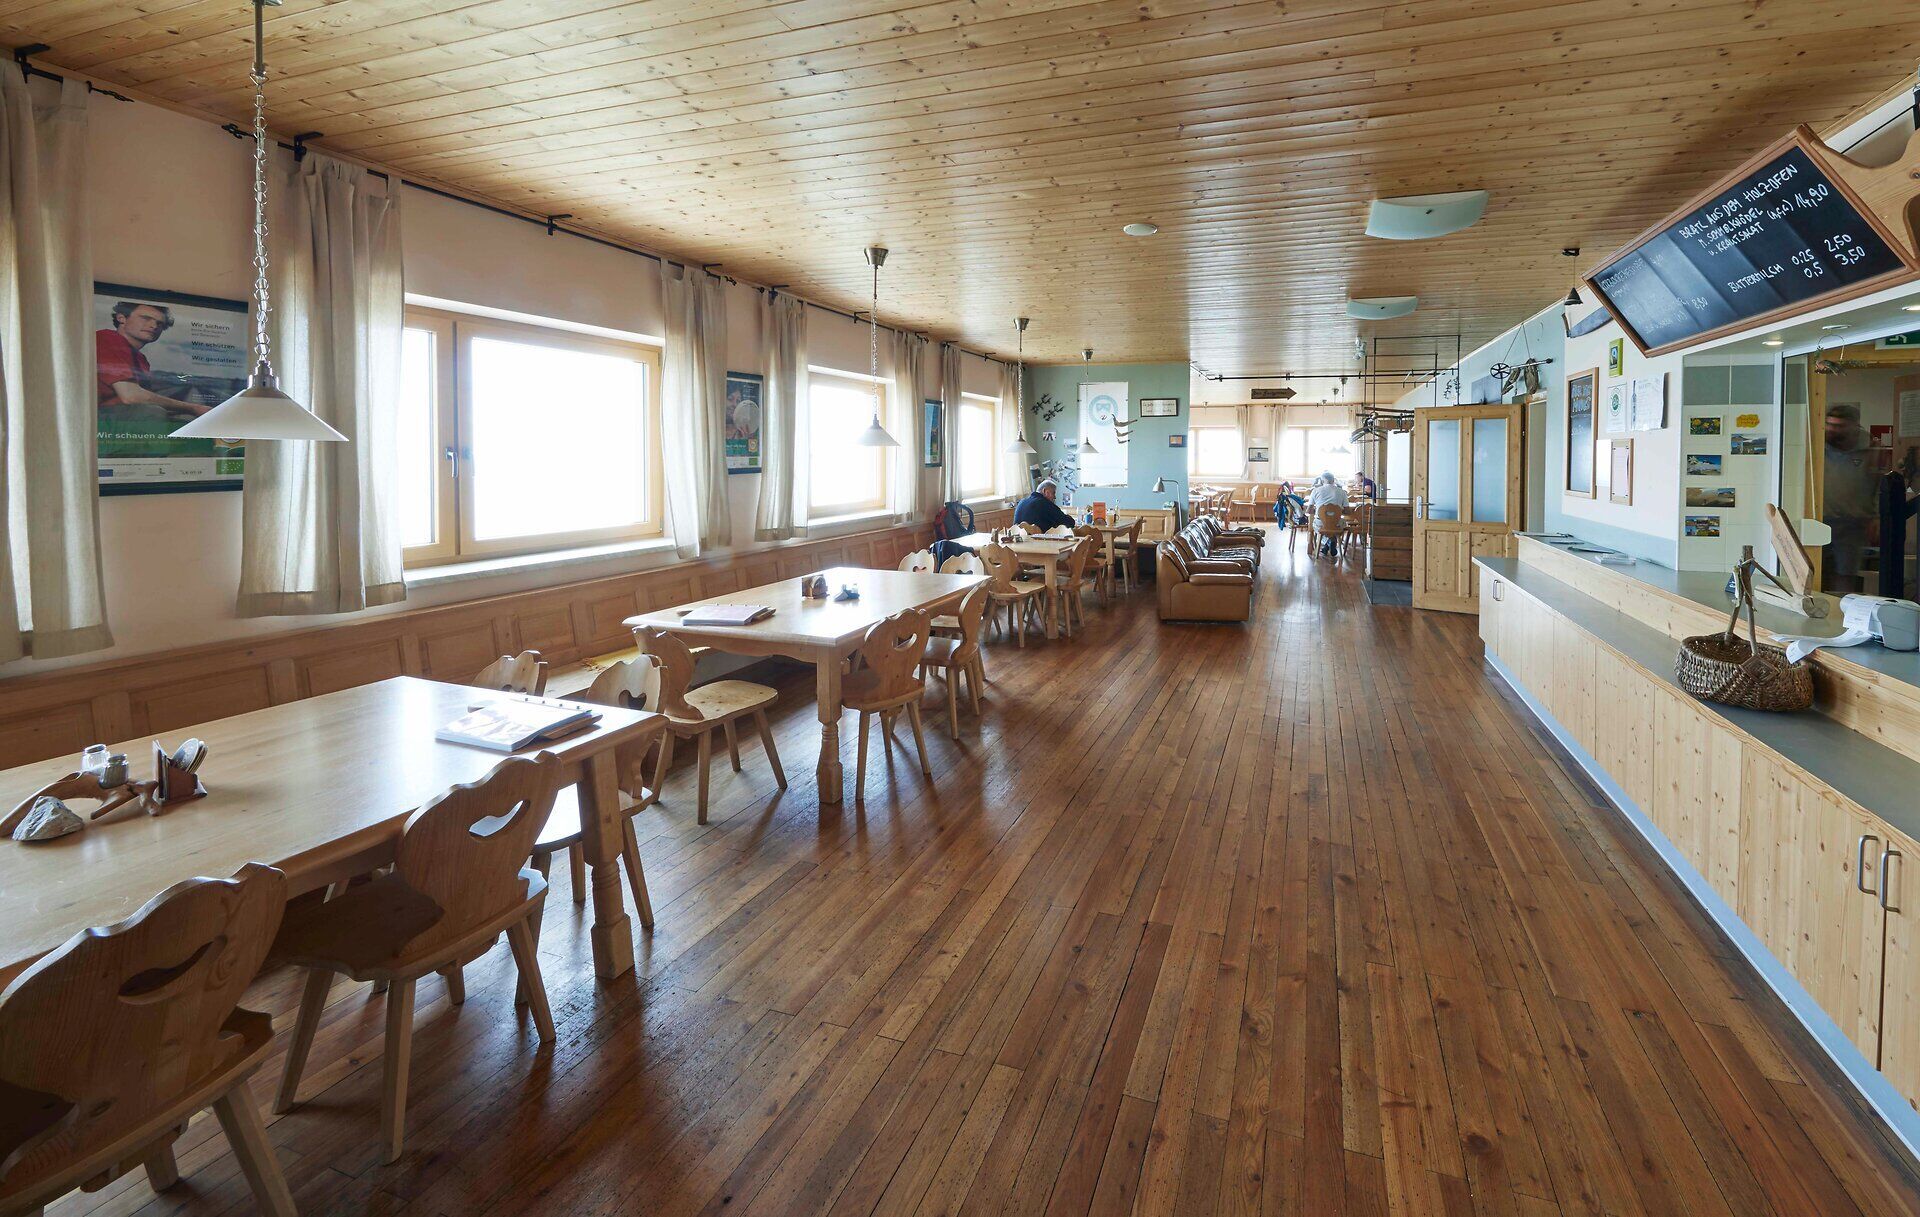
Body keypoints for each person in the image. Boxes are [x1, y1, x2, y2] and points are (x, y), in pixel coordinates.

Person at [97, 300, 210, 423]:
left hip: (115, 415)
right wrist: (194, 408)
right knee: (152, 412)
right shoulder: (107, 338)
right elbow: (132, 396)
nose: (154, 326)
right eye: (145, 318)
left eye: (160, 323)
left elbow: (143, 400)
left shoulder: (141, 359)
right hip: (94, 417)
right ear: (121, 318)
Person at [1823, 403, 1879, 595]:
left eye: (1838, 426)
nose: (1832, 430)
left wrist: (1876, 517)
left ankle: (1842, 619)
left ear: (1854, 426)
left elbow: (1878, 485)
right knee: (1813, 572)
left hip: (1852, 524)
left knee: (1845, 576)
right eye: (1829, 424)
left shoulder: (1870, 449)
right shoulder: (1817, 445)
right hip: (1819, 520)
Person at [1306, 472, 1348, 557]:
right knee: (1339, 525)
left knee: (1319, 525)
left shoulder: (1316, 490)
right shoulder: (1342, 492)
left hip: (1320, 523)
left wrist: (1320, 512)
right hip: (1337, 524)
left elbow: (1309, 510)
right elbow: (1347, 511)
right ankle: (1331, 542)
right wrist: (1337, 512)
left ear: (1322, 481)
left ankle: (1327, 543)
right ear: (1333, 480)